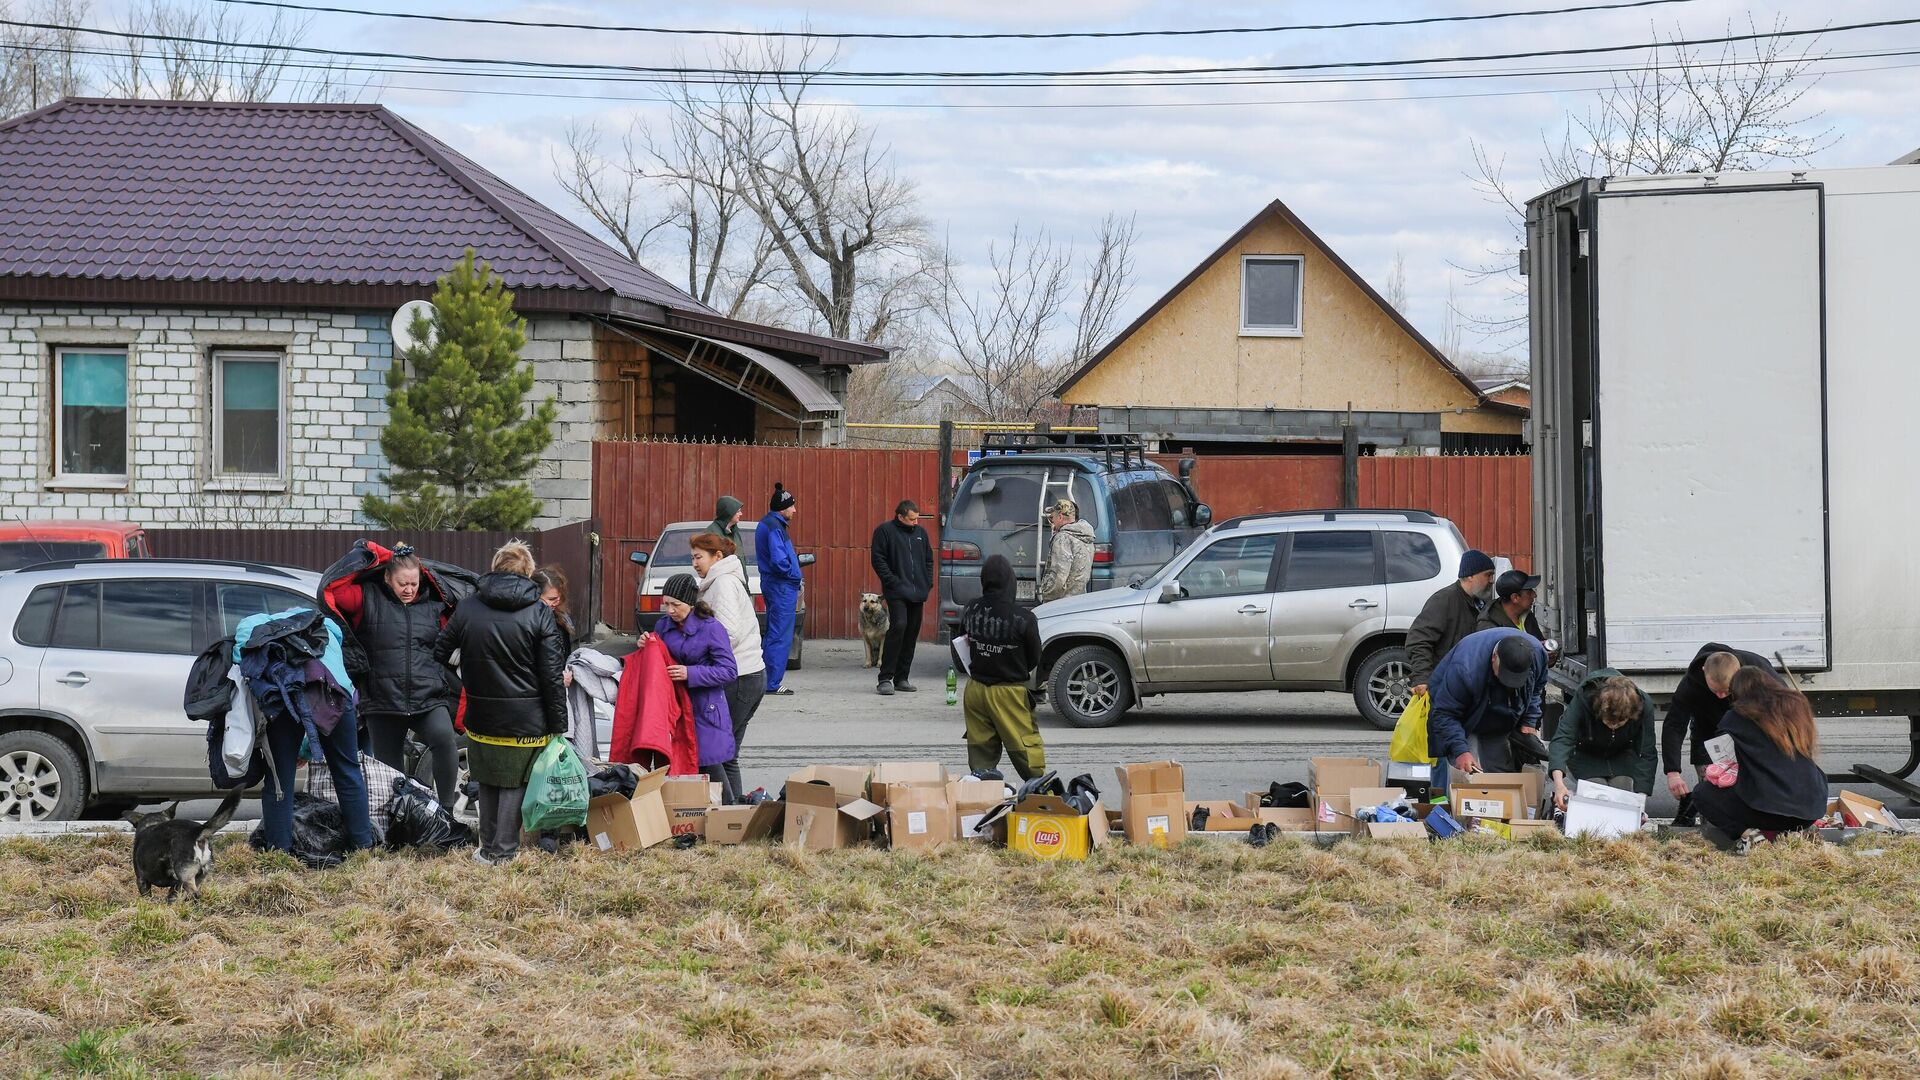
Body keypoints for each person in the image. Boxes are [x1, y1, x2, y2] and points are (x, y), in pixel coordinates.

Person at [432, 540, 567, 865]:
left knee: (488, 778)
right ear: (528, 572)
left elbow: (440, 650)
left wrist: (469, 672)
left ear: (495, 567)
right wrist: (558, 723)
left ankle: (487, 849)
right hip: (526, 718)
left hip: (481, 715)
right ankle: (504, 852)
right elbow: (551, 675)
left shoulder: (468, 607)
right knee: (515, 783)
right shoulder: (538, 613)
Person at [331, 548, 463, 808]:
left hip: (428, 696)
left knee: (444, 740)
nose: (409, 589)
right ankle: (399, 818)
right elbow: (334, 588)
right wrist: (377, 556)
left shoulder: (433, 604)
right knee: (390, 771)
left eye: (414, 583)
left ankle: (446, 812)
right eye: (402, 583)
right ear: (387, 578)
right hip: (383, 699)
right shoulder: (366, 598)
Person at [1690, 667, 1827, 851]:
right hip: (1811, 810)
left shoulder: (1736, 717)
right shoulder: (1798, 705)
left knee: (1702, 793)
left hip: (1767, 810)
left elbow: (1726, 758)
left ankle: (1751, 836)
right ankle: (1792, 833)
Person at [642, 573, 739, 804]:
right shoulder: (663, 626)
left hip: (705, 706)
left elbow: (728, 671)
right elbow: (657, 654)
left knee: (710, 762)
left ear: (691, 603)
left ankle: (730, 813)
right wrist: (644, 643)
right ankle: (690, 813)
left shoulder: (712, 628)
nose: (669, 610)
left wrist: (690, 673)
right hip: (675, 705)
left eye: (676, 604)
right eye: (665, 603)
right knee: (680, 762)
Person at [1663, 643, 1776, 825]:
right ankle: (1710, 826)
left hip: (1750, 727)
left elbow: (1786, 708)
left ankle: (1748, 825)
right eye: (1715, 690)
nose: (1722, 696)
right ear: (1704, 672)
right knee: (1711, 784)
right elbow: (1674, 725)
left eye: (1727, 690)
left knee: (1748, 784)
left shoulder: (1759, 669)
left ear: (1740, 673)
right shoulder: (1691, 684)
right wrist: (1672, 772)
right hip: (1708, 730)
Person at [956, 555, 1046, 780]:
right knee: (1027, 752)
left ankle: (981, 797)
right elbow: (1035, 658)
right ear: (1011, 583)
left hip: (975, 689)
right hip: (1009, 692)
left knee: (980, 754)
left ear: (984, 580)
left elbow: (960, 645)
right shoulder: (1024, 618)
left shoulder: (971, 608)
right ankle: (1040, 797)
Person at [690, 533, 763, 801]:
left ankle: (729, 813)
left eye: (699, 557)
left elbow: (728, 633)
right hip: (750, 674)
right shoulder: (720, 581)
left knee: (713, 751)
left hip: (740, 676)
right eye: (693, 558)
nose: (695, 563)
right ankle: (737, 817)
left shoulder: (722, 583)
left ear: (717, 557)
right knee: (727, 753)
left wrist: (698, 657)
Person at [1427, 627, 1548, 777]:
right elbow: (1445, 713)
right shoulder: (1464, 669)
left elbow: (1537, 687)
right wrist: (1460, 750)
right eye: (1505, 675)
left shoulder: (1537, 653)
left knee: (1501, 772)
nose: (1509, 682)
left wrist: (1529, 721)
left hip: (1499, 711)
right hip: (1460, 709)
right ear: (1494, 657)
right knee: (1465, 769)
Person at [1549, 670, 1657, 810]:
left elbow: (1647, 752)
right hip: (1586, 753)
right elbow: (1562, 739)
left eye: (1620, 722)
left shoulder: (1644, 704)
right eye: (1609, 721)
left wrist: (1640, 805)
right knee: (1595, 794)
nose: (1614, 725)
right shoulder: (1584, 698)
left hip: (1622, 754)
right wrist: (1559, 785)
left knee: (1621, 798)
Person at [1407, 549, 1496, 696]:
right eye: (1488, 575)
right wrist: (1422, 678)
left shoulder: (1481, 603)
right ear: (1470, 576)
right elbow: (1418, 640)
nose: (1492, 580)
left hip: (1469, 685)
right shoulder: (1445, 600)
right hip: (1445, 685)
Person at [870, 499, 934, 696]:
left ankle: (902, 677)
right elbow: (878, 559)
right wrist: (892, 581)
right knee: (899, 626)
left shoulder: (921, 534)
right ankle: (885, 678)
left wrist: (927, 582)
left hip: (918, 592)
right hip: (896, 591)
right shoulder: (885, 531)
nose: (916, 523)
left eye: (917, 519)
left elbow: (928, 559)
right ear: (900, 516)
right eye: (912, 519)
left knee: (912, 632)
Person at [756, 482, 802, 696]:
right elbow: (779, 560)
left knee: (775, 632)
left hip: (777, 585)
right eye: (792, 506)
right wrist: (793, 575)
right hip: (781, 586)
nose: (795, 510)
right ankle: (771, 683)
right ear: (783, 508)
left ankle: (765, 679)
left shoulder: (771, 524)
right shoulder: (775, 527)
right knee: (780, 634)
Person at [1038, 498, 1095, 603]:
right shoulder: (1086, 537)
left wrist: (1046, 595)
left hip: (1060, 603)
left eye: (1052, 518)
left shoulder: (1062, 538)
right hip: (1079, 600)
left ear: (1060, 517)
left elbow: (1059, 576)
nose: (1052, 522)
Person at [1478, 569, 1547, 643]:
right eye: (1529, 592)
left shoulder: (1527, 615)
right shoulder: (1489, 628)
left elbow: (1539, 641)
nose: (1534, 595)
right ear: (1515, 598)